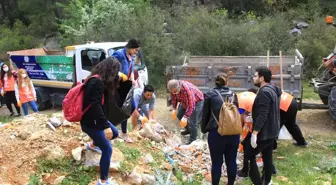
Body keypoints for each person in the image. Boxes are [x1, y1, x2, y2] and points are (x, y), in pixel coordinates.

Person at [80, 57, 120, 185]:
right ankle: (103, 181)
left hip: (94, 119)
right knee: (108, 149)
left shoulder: (95, 78)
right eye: (115, 72)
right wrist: (105, 126)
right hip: (92, 123)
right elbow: (95, 104)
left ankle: (93, 145)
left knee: (115, 133)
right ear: (110, 70)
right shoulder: (97, 82)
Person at [201, 73, 240, 185]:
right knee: (231, 161)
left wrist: (203, 129)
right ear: (227, 82)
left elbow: (205, 115)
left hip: (216, 132)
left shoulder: (210, 95)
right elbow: (237, 114)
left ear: (215, 82)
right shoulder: (234, 95)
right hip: (233, 133)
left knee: (217, 163)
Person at [246, 66, 281, 185]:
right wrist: (253, 117)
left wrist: (255, 133)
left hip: (264, 132)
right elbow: (268, 110)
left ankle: (258, 182)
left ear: (262, 78)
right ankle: (267, 180)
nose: (253, 78)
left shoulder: (264, 92)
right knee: (267, 156)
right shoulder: (273, 89)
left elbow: (263, 114)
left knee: (249, 154)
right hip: (272, 130)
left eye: (255, 76)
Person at [112, 38, 140, 142]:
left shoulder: (132, 57)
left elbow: (131, 69)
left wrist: (132, 79)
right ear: (130, 47)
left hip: (126, 86)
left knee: (130, 107)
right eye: (136, 50)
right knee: (117, 108)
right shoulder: (118, 54)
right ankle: (116, 130)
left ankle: (122, 132)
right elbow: (111, 67)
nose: (137, 52)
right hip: (117, 85)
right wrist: (121, 75)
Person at [167, 79, 204, 144]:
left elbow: (191, 106)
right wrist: (174, 108)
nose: (174, 93)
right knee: (179, 115)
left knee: (193, 122)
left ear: (179, 87)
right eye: (172, 92)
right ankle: (188, 130)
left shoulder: (187, 89)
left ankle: (192, 141)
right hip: (184, 101)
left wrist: (186, 117)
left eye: (175, 91)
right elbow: (174, 99)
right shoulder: (173, 89)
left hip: (196, 101)